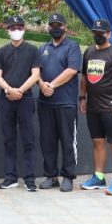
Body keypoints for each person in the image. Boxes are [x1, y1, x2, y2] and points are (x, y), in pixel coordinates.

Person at [78, 19, 112, 195]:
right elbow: (84, 77)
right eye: (95, 32)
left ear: (108, 34)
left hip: (111, 105)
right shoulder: (89, 52)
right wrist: (82, 97)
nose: (97, 35)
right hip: (93, 106)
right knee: (97, 141)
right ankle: (99, 176)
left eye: (101, 32)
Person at [0, 14, 41, 191]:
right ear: (8, 31)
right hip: (6, 99)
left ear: (24, 29)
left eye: (19, 28)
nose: (16, 31)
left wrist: (20, 90)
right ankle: (10, 177)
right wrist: (8, 89)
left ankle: (29, 179)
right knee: (8, 139)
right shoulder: (1, 52)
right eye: (13, 28)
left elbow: (35, 74)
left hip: (26, 99)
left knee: (29, 140)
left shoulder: (33, 50)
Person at [36, 13, 82, 192]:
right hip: (45, 102)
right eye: (52, 25)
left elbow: (72, 70)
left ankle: (68, 177)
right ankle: (51, 176)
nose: (55, 28)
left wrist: (52, 85)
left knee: (68, 140)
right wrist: (41, 84)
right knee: (47, 141)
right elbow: (36, 70)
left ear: (65, 27)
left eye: (59, 25)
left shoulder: (72, 46)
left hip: (65, 103)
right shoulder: (43, 47)